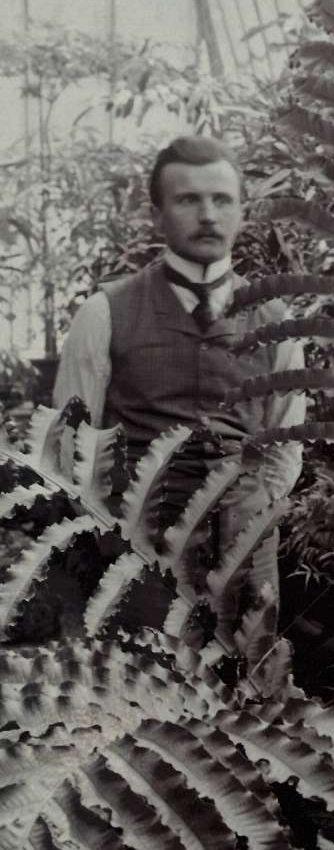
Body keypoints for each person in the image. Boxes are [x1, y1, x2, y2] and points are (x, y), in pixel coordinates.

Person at [53, 134, 305, 624]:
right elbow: (70, 447)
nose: (208, 215)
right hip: (137, 558)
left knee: (251, 693)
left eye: (222, 200)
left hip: (245, 558)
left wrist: (245, 519)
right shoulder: (105, 313)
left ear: (240, 213)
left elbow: (286, 448)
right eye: (188, 199)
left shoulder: (278, 322)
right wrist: (119, 534)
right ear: (158, 214)